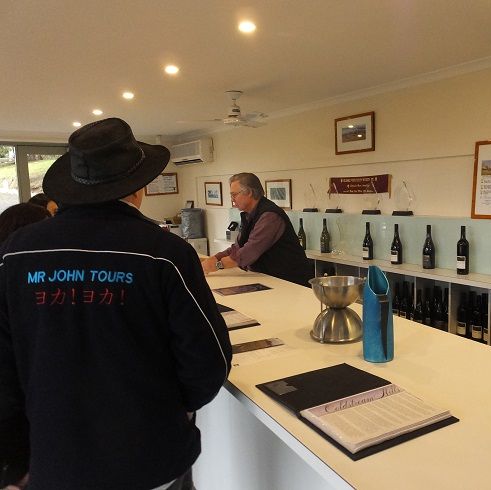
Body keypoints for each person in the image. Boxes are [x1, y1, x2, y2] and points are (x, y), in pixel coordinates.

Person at [0, 118, 232, 490]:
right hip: (151, 457)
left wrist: (13, 459)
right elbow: (208, 361)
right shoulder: (166, 253)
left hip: (55, 459)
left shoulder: (16, 252)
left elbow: (4, 367)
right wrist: (173, 407)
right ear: (138, 188)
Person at [201, 172, 313, 286]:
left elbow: (249, 252)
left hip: (291, 281)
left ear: (249, 192)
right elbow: (237, 248)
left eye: (234, 195)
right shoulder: (248, 214)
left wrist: (218, 265)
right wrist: (215, 258)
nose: (232, 199)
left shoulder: (270, 216)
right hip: (270, 279)